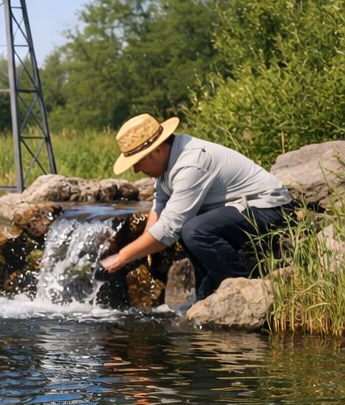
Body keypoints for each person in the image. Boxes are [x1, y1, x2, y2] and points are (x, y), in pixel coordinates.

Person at [98, 113, 292, 301]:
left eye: (138, 161)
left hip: (269, 209)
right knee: (190, 226)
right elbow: (160, 204)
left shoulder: (191, 163)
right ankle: (207, 295)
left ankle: (245, 292)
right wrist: (143, 242)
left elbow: (168, 229)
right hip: (238, 209)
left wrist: (123, 256)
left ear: (157, 150)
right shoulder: (167, 162)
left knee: (194, 230)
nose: (136, 169)